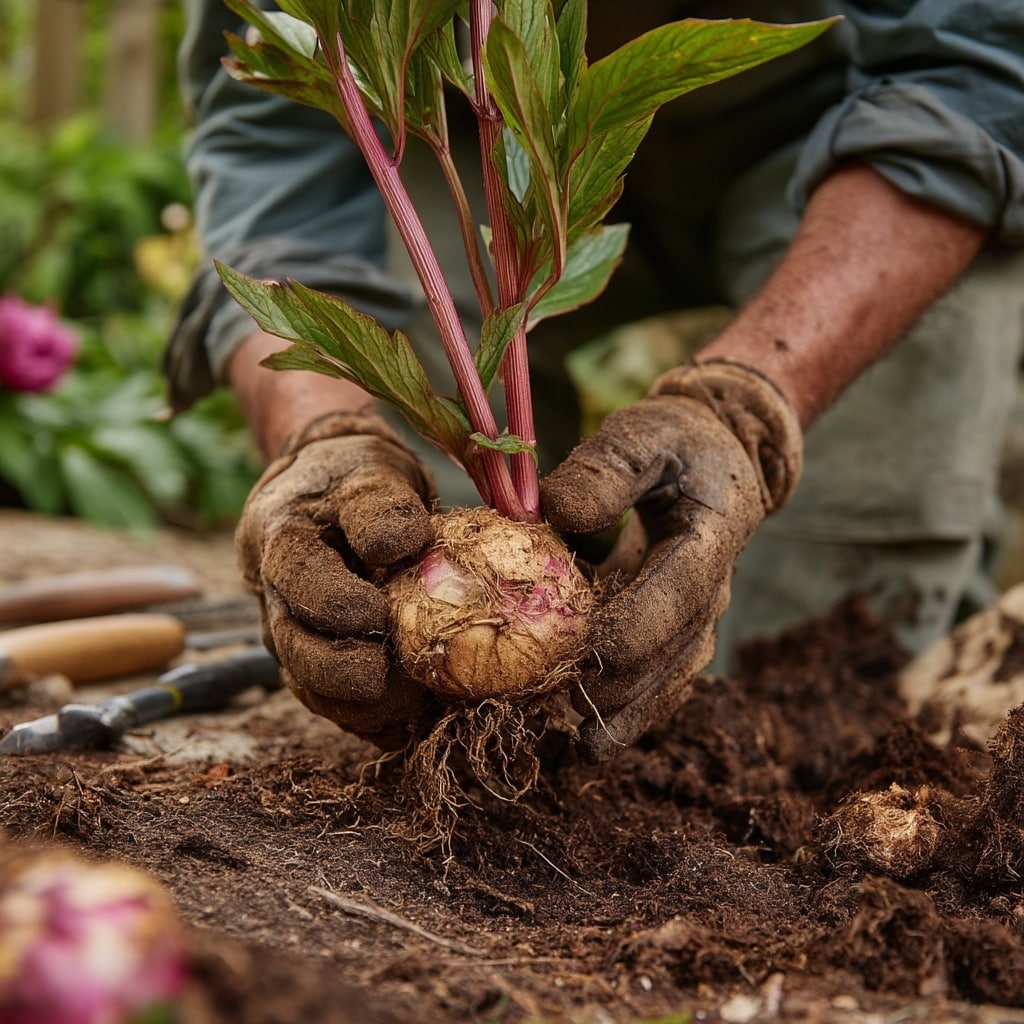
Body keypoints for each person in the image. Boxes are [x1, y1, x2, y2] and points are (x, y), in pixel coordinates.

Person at [166, 1, 1024, 760]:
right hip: (452, 129)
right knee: (374, 534)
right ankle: (463, 764)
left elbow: (977, 77)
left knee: (811, 686)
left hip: (836, 124)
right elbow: (269, 165)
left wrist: (748, 405)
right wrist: (322, 429)